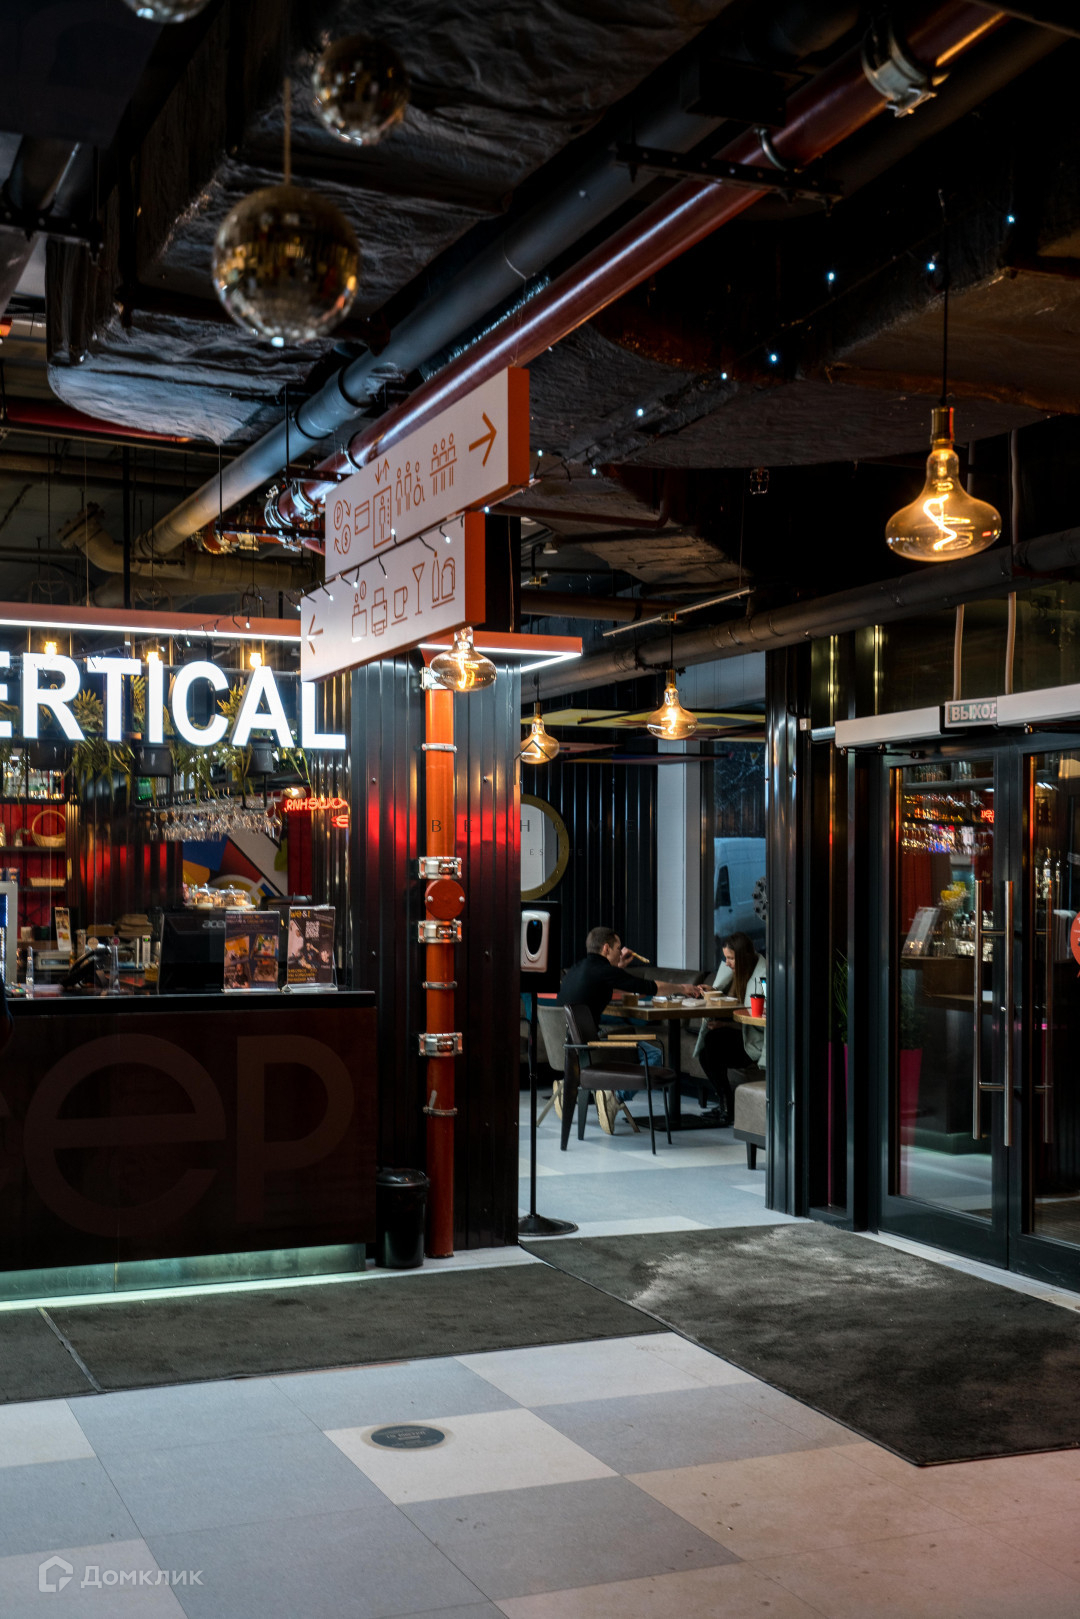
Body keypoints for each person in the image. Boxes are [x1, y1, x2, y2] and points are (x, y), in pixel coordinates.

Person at [556, 926, 701, 1133]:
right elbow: (650, 987)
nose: (620, 952)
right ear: (606, 948)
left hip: (572, 1045)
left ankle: (568, 1086)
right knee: (654, 1053)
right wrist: (683, 988)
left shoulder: (577, 969)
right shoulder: (603, 971)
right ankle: (614, 1097)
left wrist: (618, 966)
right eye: (618, 948)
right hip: (591, 1046)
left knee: (631, 1037)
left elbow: (606, 981)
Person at [694, 931, 766, 1126]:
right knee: (706, 1049)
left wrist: (726, 1025)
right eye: (725, 958)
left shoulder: (762, 978)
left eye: (731, 958)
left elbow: (760, 1019)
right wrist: (713, 993)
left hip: (753, 1040)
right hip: (738, 1034)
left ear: (743, 957)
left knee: (712, 1042)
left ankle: (727, 1106)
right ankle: (726, 1103)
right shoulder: (735, 976)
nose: (726, 963)